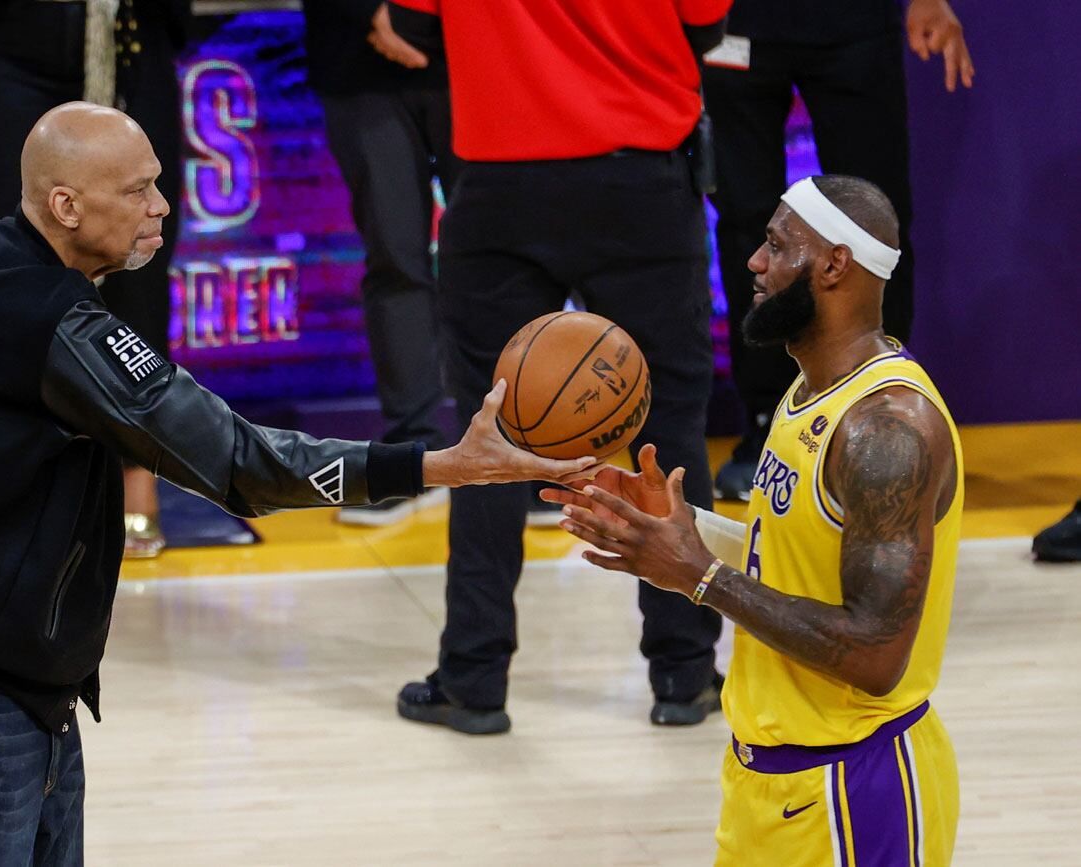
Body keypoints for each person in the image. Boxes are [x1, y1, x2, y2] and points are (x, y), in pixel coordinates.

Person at [0, 103, 597, 866]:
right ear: (66, 205)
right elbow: (240, 462)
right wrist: (439, 464)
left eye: (158, 182)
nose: (162, 205)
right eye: (136, 190)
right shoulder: (57, 322)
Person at [548, 175, 963, 864]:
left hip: (854, 788)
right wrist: (679, 529)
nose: (754, 262)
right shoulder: (810, 388)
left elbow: (876, 653)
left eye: (776, 245)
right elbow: (797, 556)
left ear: (834, 264)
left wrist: (698, 575)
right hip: (767, 781)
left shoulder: (887, 428)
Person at [375, 0, 732, 734]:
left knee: (488, 441)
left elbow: (406, 29)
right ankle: (685, 672)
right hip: (642, 181)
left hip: (499, 184)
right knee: (669, 428)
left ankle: (473, 677)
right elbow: (709, 27)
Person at [705, 0, 974, 501]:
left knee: (875, 228)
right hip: (733, 21)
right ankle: (767, 424)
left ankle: (884, 411)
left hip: (853, 20)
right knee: (749, 229)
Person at [0, 0, 191, 556]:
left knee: (140, 254)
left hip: (131, 46)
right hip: (18, 46)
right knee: (12, 268)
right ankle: (9, 480)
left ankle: (137, 476)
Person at [300, 0, 457, 526]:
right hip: (356, 58)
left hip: (481, 51)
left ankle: (523, 450)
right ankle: (415, 458)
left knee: (500, 262)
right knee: (394, 259)